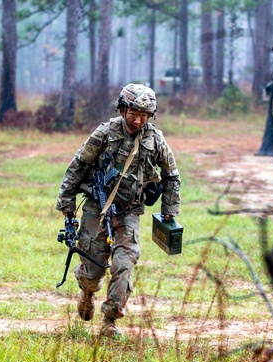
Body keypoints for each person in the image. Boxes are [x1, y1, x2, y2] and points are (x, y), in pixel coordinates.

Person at [56, 84, 181, 338]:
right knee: (93, 270)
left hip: (129, 212)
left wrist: (169, 209)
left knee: (124, 264)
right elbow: (78, 166)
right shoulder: (105, 133)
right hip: (96, 207)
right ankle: (88, 291)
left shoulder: (154, 139)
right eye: (133, 113)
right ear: (123, 109)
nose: (138, 120)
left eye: (144, 115)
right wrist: (67, 206)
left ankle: (110, 321)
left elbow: (172, 175)